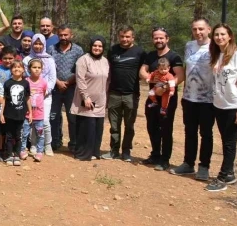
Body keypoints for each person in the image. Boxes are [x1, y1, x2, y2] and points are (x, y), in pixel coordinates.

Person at [205, 23, 237, 192]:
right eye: (216, 34)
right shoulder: (217, 55)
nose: (219, 37)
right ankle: (230, 174)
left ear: (230, 36)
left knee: (230, 143)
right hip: (220, 105)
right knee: (226, 141)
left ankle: (222, 178)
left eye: (223, 34)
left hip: (235, 106)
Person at [169, 19, 215, 181]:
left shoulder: (215, 46)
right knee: (190, 132)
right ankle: (188, 163)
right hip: (189, 97)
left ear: (209, 29)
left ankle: (204, 167)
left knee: (206, 134)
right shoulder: (189, 45)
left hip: (208, 99)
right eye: (195, 29)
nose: (198, 32)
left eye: (201, 29)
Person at [139, 28, 184, 171]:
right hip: (153, 98)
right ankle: (155, 155)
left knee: (165, 128)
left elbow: (180, 76)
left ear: (167, 39)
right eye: (156, 38)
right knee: (152, 126)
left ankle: (165, 159)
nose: (158, 40)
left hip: (167, 99)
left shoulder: (174, 57)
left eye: (161, 38)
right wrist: (149, 78)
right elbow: (142, 70)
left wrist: (164, 87)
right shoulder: (150, 56)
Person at [102, 26, 144, 162]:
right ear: (118, 37)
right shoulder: (113, 50)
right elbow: (108, 70)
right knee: (114, 125)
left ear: (133, 38)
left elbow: (144, 71)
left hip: (131, 94)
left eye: (127, 37)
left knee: (129, 125)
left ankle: (126, 151)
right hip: (114, 93)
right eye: (122, 36)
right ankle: (114, 150)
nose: (124, 39)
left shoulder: (140, 52)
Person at [70, 37, 109, 161]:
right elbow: (80, 79)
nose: (97, 48)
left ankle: (94, 152)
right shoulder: (83, 60)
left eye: (100, 46)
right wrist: (85, 97)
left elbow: (107, 80)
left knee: (98, 128)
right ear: (90, 46)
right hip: (86, 100)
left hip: (100, 100)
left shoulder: (105, 61)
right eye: (95, 45)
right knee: (87, 128)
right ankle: (83, 154)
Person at [47, 25, 84, 152]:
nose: (63, 37)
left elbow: (81, 70)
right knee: (53, 117)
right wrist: (57, 82)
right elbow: (48, 69)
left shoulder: (78, 50)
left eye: (65, 35)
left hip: (72, 88)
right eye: (61, 35)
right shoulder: (51, 49)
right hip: (55, 88)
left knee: (72, 117)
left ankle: (73, 144)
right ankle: (54, 142)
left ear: (71, 35)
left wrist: (67, 82)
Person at [21, 34, 57, 154]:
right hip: (31, 95)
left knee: (44, 121)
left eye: (40, 44)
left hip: (45, 95)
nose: (37, 46)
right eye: (35, 43)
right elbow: (27, 77)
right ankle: (33, 144)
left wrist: (46, 91)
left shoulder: (49, 59)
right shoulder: (27, 60)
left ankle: (47, 144)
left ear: (44, 44)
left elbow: (52, 78)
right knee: (32, 120)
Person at [3, 61, 29, 166]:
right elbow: (4, 99)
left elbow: (28, 98)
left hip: (21, 114)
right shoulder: (7, 83)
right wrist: (1, 114)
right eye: (14, 67)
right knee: (9, 136)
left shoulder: (26, 83)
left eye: (19, 67)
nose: (17, 69)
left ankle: (17, 155)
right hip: (9, 114)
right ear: (11, 70)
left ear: (23, 69)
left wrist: (30, 113)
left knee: (19, 136)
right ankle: (9, 155)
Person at [22, 58, 48, 162]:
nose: (37, 69)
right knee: (24, 133)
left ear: (42, 69)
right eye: (34, 67)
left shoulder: (43, 82)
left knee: (40, 134)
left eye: (39, 67)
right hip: (27, 114)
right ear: (29, 69)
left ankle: (39, 152)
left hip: (39, 114)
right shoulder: (26, 81)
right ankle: (22, 150)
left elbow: (44, 94)